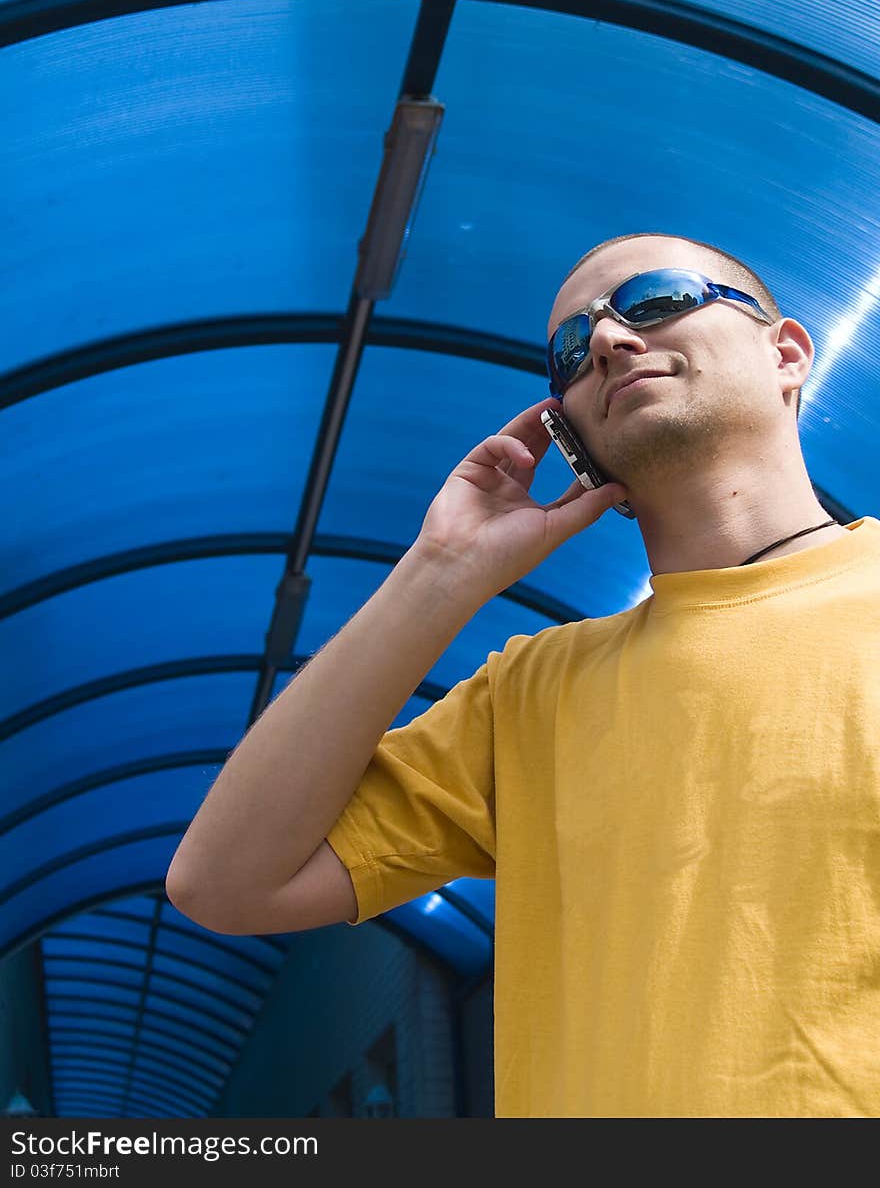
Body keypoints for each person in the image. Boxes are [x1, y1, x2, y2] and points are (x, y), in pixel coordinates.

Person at [166, 231, 880, 1117]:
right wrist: (442, 570)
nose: (614, 339)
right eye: (572, 350)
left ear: (786, 353)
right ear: (573, 439)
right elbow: (222, 881)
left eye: (655, 299)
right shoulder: (531, 693)